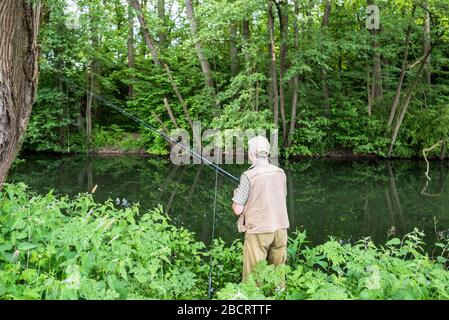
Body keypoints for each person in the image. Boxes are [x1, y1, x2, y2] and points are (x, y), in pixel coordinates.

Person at [231, 135, 289, 282]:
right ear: (267, 153)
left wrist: (237, 194)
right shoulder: (280, 172)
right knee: (278, 274)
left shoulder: (248, 175)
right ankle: (278, 296)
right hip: (281, 229)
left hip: (259, 231)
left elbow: (238, 209)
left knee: (254, 277)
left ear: (251, 154)